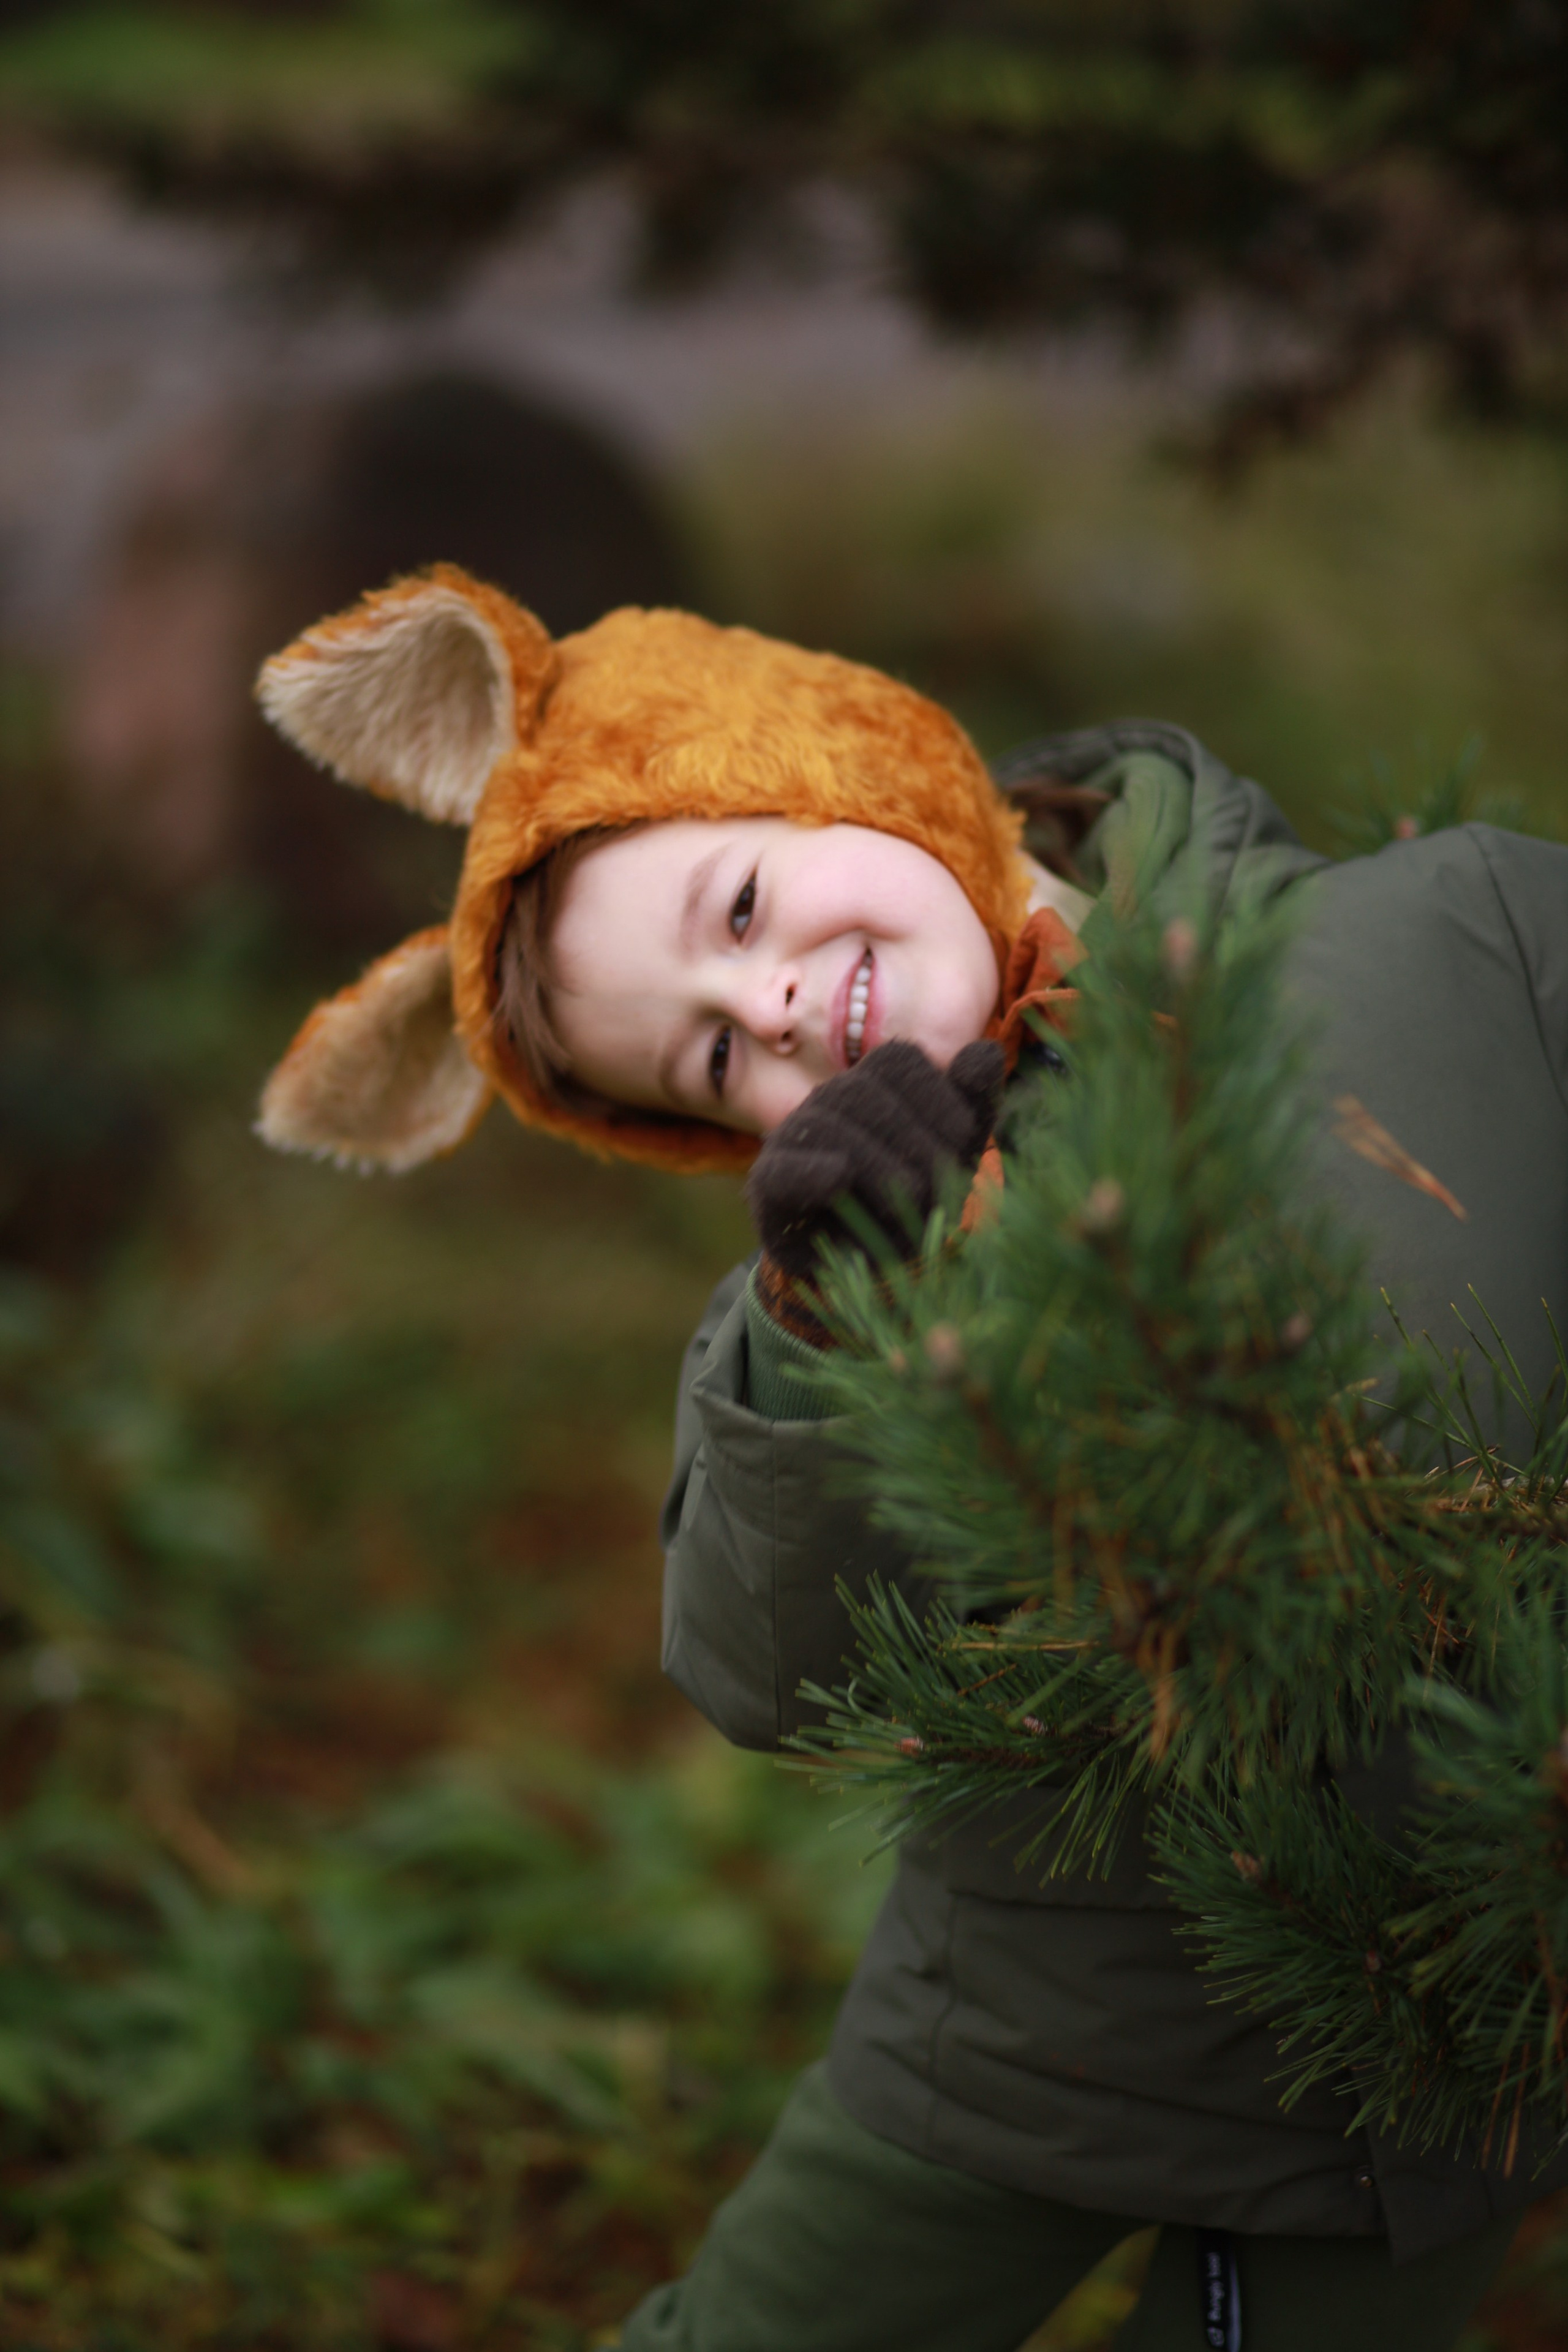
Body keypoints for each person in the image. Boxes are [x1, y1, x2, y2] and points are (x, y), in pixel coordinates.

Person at [254, 567, 1568, 2351]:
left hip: (1444, 2032)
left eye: (740, 906)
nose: (776, 1007)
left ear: (850, 759)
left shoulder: (1456, 934)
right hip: (1035, 2019)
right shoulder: (856, 1275)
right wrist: (831, 1319)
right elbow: (768, 1668)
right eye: (712, 1055)